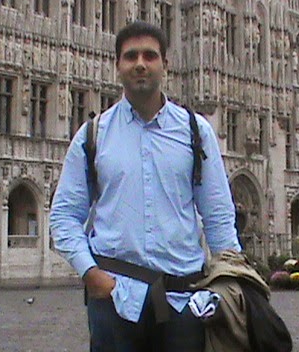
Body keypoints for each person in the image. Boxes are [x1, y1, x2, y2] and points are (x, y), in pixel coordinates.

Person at [50, 21, 241, 352]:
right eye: (131, 56)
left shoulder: (196, 131)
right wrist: (91, 274)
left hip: (184, 300)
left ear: (165, 64)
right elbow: (64, 215)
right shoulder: (92, 134)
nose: (140, 64)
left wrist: (231, 285)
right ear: (117, 65)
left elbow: (219, 216)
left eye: (150, 56)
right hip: (115, 299)